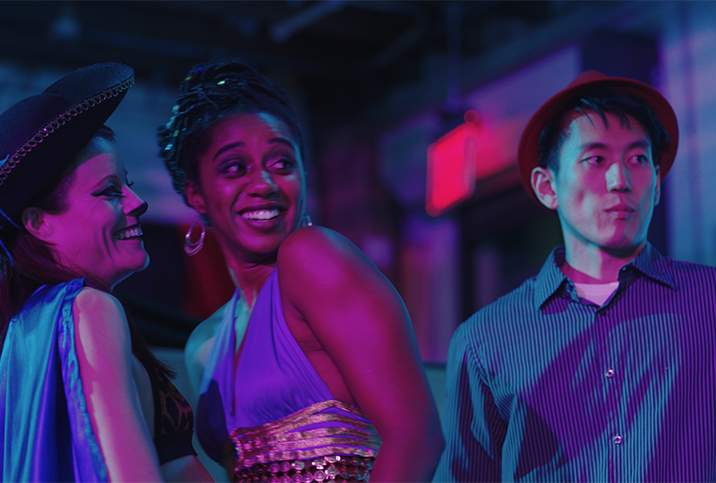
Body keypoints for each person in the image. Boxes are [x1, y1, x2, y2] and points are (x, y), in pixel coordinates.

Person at [158, 59, 444, 482]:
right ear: (195, 194)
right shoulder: (205, 342)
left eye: (281, 164)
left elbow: (415, 435)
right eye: (235, 168)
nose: (265, 184)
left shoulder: (313, 256)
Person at [434, 71, 716, 481]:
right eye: (595, 160)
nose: (620, 181)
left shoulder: (708, 301)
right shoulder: (485, 339)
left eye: (637, 160)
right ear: (548, 187)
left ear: (656, 185)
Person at [0, 63, 212, 482]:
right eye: (110, 191)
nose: (137, 202)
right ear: (40, 222)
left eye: (128, 185)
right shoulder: (88, 310)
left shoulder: (23, 333)